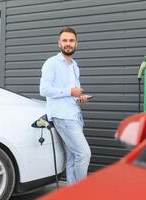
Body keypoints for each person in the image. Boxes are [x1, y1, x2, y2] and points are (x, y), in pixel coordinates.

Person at [40, 27, 91, 185]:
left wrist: (79, 97)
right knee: (84, 154)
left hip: (75, 115)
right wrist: (70, 91)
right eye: (65, 40)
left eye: (71, 41)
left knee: (72, 157)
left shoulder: (74, 66)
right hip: (63, 117)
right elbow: (44, 90)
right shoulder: (51, 63)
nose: (68, 44)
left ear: (77, 44)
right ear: (59, 43)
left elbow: (72, 94)